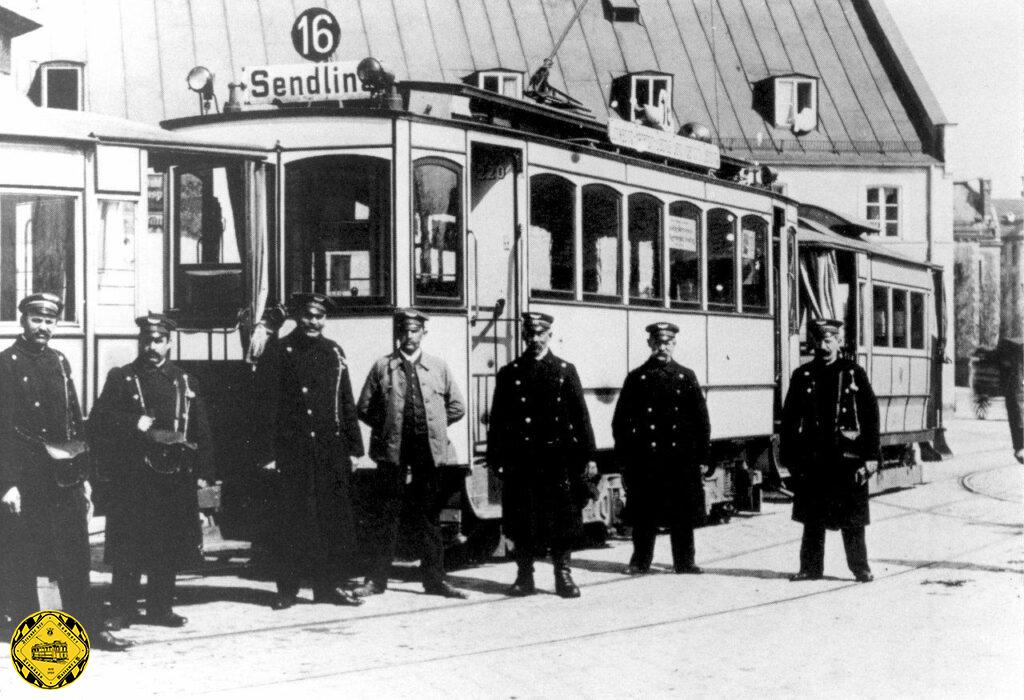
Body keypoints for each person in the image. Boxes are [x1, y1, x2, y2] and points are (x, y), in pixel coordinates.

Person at [0, 293, 130, 650]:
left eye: (50, 321)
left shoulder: (59, 361)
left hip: (65, 476)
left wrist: (85, 475)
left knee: (75, 556)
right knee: (23, 557)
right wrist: (7, 483)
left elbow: (75, 422)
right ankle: (27, 630)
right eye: (36, 320)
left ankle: (88, 627)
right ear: (22, 319)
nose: (43, 327)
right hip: (26, 477)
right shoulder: (5, 364)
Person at [89, 313, 213, 628]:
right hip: (134, 476)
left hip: (173, 476)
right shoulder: (122, 377)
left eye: (158, 340)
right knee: (129, 544)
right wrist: (131, 422)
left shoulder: (185, 381)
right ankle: (122, 610)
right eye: (146, 340)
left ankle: (160, 608)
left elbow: (200, 430)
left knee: (166, 543)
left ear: (169, 343)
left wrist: (202, 472)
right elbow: (98, 420)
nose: (152, 346)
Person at [252, 293, 364, 610]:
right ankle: (287, 589)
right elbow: (265, 407)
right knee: (292, 520)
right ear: (297, 317)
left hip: (329, 450)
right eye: (308, 316)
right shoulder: (279, 350)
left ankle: (327, 587)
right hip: (293, 450)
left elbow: (345, 402)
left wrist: (354, 448)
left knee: (331, 520)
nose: (314, 322)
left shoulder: (333, 352)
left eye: (319, 317)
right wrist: (267, 452)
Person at [353, 309, 467, 599]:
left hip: (427, 453)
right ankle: (375, 580)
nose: (409, 336)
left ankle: (436, 580)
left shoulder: (438, 367)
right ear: (398, 334)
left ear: (423, 334)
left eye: (414, 331)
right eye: (403, 331)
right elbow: (364, 408)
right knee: (385, 515)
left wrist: (434, 427)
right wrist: (389, 428)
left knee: (428, 515)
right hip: (392, 453)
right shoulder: (383, 367)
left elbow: (457, 406)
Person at [487, 312, 597, 598]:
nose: (535, 339)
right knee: (522, 520)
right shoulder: (510, 372)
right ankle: (525, 576)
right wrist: (495, 458)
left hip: (557, 460)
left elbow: (580, 416)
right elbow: (498, 419)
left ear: (550, 335)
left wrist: (589, 456)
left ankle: (563, 575)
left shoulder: (564, 370)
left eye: (540, 334)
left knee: (562, 520)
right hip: (522, 460)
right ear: (524, 336)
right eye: (530, 334)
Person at [781, 319, 880, 583]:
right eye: (818, 341)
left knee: (853, 520)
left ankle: (860, 568)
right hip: (813, 459)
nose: (823, 346)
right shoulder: (802, 376)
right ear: (812, 343)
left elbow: (870, 416)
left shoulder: (852, 373)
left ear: (838, 342)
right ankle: (810, 568)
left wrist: (871, 456)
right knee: (812, 519)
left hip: (848, 458)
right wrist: (789, 459)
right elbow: (789, 420)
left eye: (829, 340)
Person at [612, 322, 711, 575]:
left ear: (674, 345)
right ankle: (640, 561)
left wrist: (702, 456)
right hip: (647, 458)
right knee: (645, 514)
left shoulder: (686, 376)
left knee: (683, 514)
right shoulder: (637, 377)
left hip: (680, 458)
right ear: (649, 345)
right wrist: (625, 459)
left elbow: (701, 420)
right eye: (657, 343)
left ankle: (685, 562)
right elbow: (621, 422)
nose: (662, 347)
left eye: (667, 342)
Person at [995, 337, 1023, 464]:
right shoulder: (1013, 361)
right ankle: (1019, 447)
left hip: (1015, 389)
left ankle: (1019, 447)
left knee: (1017, 417)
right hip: (1015, 390)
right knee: (1017, 416)